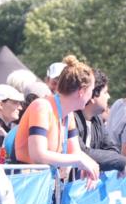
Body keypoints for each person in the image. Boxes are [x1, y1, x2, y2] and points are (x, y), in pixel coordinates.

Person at [13, 55, 101, 187]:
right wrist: (79, 160)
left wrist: (91, 165)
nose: (92, 96)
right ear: (82, 91)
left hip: (43, 185)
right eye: (92, 90)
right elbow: (38, 155)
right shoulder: (42, 106)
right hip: (26, 186)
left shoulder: (68, 114)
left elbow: (75, 152)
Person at [73, 69, 126, 173]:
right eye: (105, 92)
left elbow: (112, 149)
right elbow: (81, 152)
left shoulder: (97, 120)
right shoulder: (72, 118)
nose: (109, 96)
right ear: (92, 96)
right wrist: (121, 161)